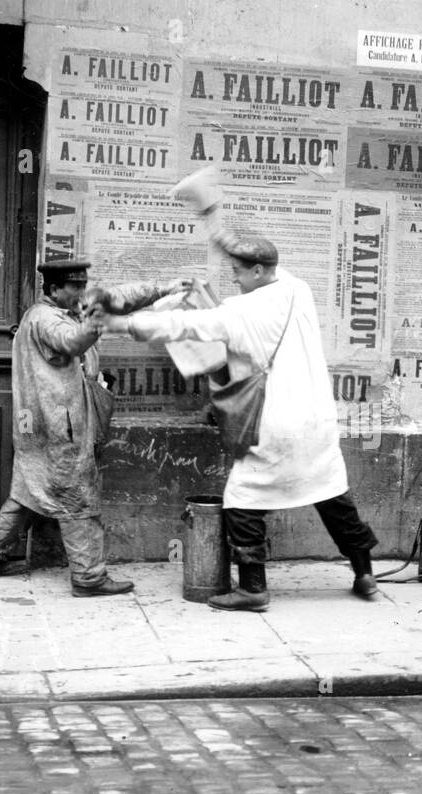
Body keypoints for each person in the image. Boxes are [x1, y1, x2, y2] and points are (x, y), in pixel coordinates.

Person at [102, 233, 379, 612]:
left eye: (238, 272)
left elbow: (184, 325)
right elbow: (247, 294)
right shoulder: (298, 289)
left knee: (242, 501)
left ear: (260, 270)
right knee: (332, 494)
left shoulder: (239, 314)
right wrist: (223, 244)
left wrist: (121, 324)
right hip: (317, 422)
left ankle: (253, 589)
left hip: (274, 425)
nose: (235, 279)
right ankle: (365, 573)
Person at [0, 259, 186, 596]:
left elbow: (118, 296)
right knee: (77, 497)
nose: (82, 293)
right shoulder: (45, 319)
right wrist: (100, 320)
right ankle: (89, 577)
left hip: (42, 424)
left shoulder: (65, 307)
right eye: (75, 287)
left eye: (84, 286)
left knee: (29, 491)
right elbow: (72, 342)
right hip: (58, 427)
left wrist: (163, 288)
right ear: (54, 289)